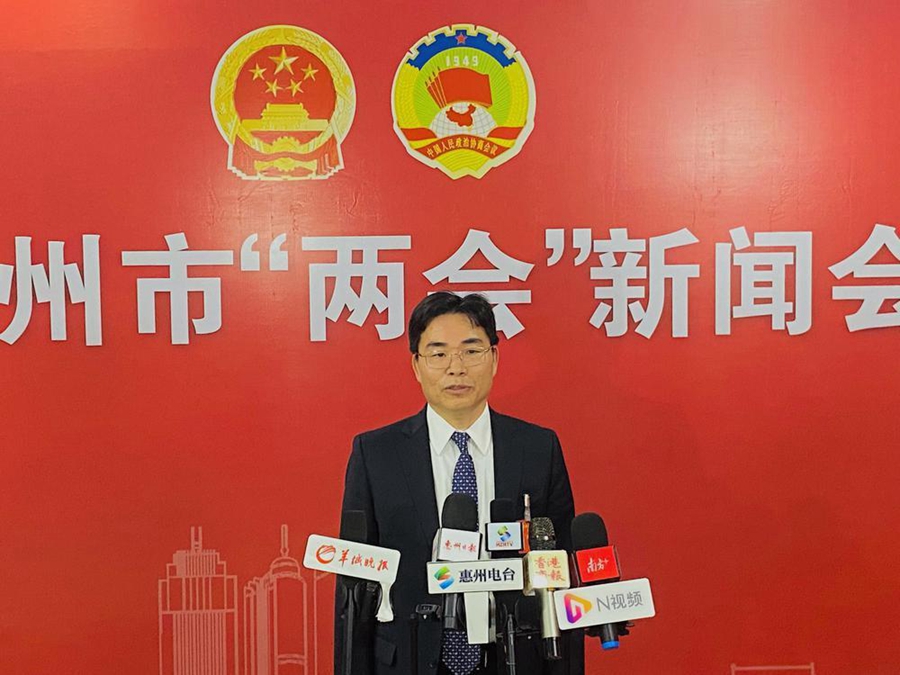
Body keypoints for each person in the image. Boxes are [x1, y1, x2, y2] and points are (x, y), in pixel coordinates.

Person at [337, 292, 583, 674]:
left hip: (514, 659)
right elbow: (353, 589)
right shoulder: (376, 455)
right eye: (438, 354)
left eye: (471, 351)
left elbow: (562, 574)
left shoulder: (537, 449)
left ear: (494, 358)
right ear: (417, 365)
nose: (456, 368)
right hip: (408, 661)